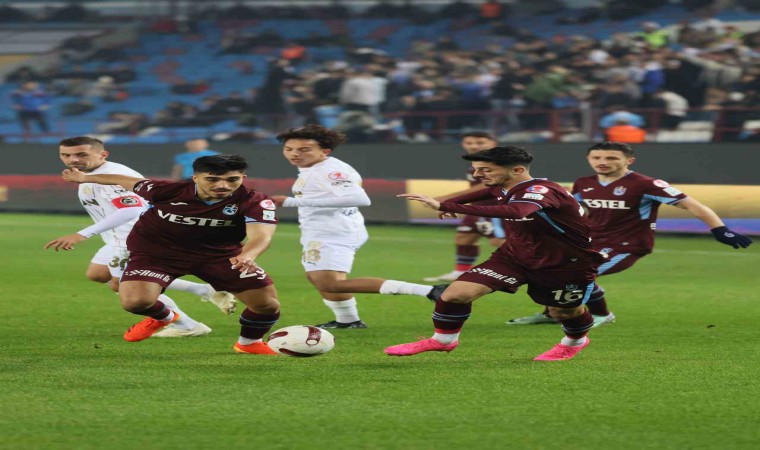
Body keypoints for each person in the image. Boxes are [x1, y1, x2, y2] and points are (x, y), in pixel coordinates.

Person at [387, 146, 606, 361]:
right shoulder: (503, 187)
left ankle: (575, 342)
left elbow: (518, 211)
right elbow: (484, 193)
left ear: (517, 170)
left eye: (486, 170)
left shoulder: (541, 191)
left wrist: (450, 207)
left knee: (563, 313)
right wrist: (447, 204)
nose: (477, 174)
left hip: (565, 264)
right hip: (514, 256)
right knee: (456, 294)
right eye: (476, 169)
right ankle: (443, 340)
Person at [506, 141, 752, 326]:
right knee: (549, 270)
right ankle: (553, 314)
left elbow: (692, 205)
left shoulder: (647, 184)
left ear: (629, 161)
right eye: (597, 157)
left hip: (627, 245)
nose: (603, 161)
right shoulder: (584, 182)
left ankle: (602, 315)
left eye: (611, 158)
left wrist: (720, 229)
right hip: (589, 242)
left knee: (577, 273)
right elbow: (566, 207)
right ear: (588, 159)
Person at [61, 154, 282, 355]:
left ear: (243, 178)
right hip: (156, 253)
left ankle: (249, 343)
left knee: (268, 305)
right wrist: (85, 178)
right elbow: (125, 180)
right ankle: (167, 317)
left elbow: (261, 236)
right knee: (135, 302)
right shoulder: (167, 190)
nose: (222, 185)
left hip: (219, 255)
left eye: (232, 180)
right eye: (212, 179)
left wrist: (248, 255)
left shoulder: (255, 201)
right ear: (196, 178)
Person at [45, 136, 237, 338]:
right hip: (119, 238)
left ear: (103, 154)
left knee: (123, 287)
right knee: (98, 274)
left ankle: (187, 325)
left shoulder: (112, 176)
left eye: (81, 154)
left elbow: (131, 209)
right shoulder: (90, 174)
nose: (73, 159)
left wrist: (81, 234)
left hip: (136, 238)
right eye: (65, 155)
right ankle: (204, 291)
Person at [270, 124, 445, 329]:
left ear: (324, 151)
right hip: (329, 229)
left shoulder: (329, 171)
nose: (294, 154)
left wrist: (291, 202)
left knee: (329, 283)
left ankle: (431, 291)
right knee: (319, 277)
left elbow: (359, 198)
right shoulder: (316, 168)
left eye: (304, 149)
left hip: (332, 232)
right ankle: (348, 320)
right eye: (289, 149)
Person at [423, 131, 506, 282]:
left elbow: (487, 187)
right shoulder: (477, 162)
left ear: (493, 143)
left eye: (480, 143)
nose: (474, 146)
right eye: (469, 143)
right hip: (477, 209)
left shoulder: (497, 162)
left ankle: (534, 269)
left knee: (499, 241)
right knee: (464, 237)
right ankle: (460, 272)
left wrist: (448, 199)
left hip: (496, 209)